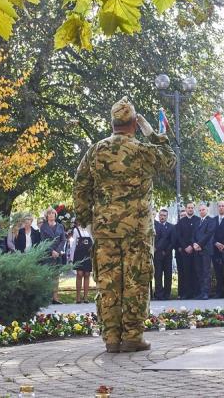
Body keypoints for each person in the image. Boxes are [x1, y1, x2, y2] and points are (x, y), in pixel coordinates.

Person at [73, 97, 176, 353]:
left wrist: (87, 219)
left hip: (105, 230)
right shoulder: (143, 150)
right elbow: (170, 160)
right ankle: (132, 337)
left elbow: (80, 185)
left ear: (112, 123)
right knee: (136, 282)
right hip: (137, 231)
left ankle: (111, 338)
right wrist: (152, 133)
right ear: (133, 124)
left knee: (108, 284)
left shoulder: (96, 150)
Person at [175, 202, 200, 300]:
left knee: (195, 271)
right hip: (185, 251)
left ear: (194, 209)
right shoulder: (181, 221)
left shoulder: (198, 220)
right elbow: (179, 236)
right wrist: (185, 247)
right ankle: (186, 293)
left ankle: (196, 292)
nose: (190, 209)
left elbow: (198, 234)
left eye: (192, 208)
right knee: (186, 272)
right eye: (188, 208)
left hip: (195, 250)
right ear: (186, 209)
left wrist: (192, 246)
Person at [193, 204, 216, 299]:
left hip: (206, 249)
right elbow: (193, 234)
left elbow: (209, 234)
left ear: (207, 210)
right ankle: (201, 292)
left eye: (203, 210)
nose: (202, 211)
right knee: (199, 271)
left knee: (206, 272)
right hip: (196, 250)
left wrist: (199, 244)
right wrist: (194, 243)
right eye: (200, 210)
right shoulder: (197, 221)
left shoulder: (211, 220)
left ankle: (206, 292)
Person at [69, 222, 93, 303]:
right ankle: (78, 297)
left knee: (87, 274)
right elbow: (73, 245)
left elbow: (93, 242)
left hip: (88, 254)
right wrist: (71, 258)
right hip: (79, 254)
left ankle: (86, 297)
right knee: (79, 274)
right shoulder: (76, 230)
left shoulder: (90, 229)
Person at [153, 208, 174, 300]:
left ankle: (167, 294)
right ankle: (159, 294)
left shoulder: (171, 227)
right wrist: (157, 249)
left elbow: (172, 241)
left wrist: (166, 251)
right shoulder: (155, 226)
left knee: (168, 275)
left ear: (167, 216)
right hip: (157, 254)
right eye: (161, 215)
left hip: (167, 255)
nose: (162, 217)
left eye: (164, 215)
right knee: (157, 275)